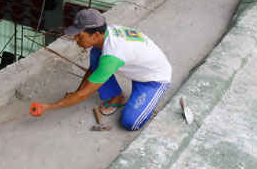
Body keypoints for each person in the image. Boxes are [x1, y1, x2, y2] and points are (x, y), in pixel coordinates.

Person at [29, 9, 172, 131]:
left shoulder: (112, 54)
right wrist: (76, 92)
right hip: (138, 68)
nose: (76, 40)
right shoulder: (107, 34)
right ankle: (117, 97)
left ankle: (147, 105)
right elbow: (92, 71)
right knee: (96, 54)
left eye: (80, 36)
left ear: (96, 34)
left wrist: (48, 106)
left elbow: (83, 95)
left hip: (154, 79)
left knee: (130, 122)